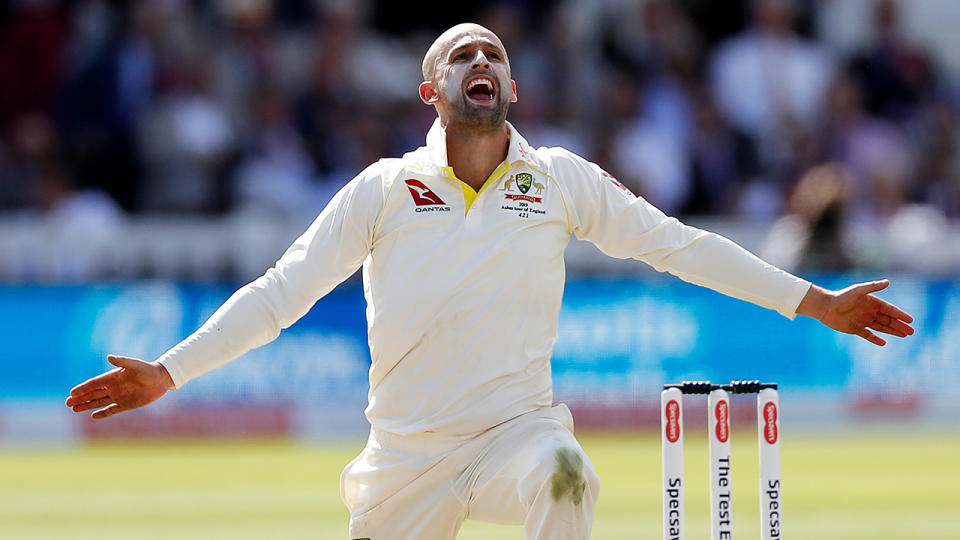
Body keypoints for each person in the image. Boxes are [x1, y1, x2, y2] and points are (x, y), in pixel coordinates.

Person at [66, 23, 915, 540]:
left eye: (495, 54)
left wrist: (816, 300)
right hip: (405, 453)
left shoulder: (558, 179)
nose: (482, 59)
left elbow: (679, 246)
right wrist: (169, 371)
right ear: (431, 90)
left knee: (566, 474)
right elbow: (280, 293)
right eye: (462, 54)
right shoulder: (386, 188)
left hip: (518, 431)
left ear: (510, 86)